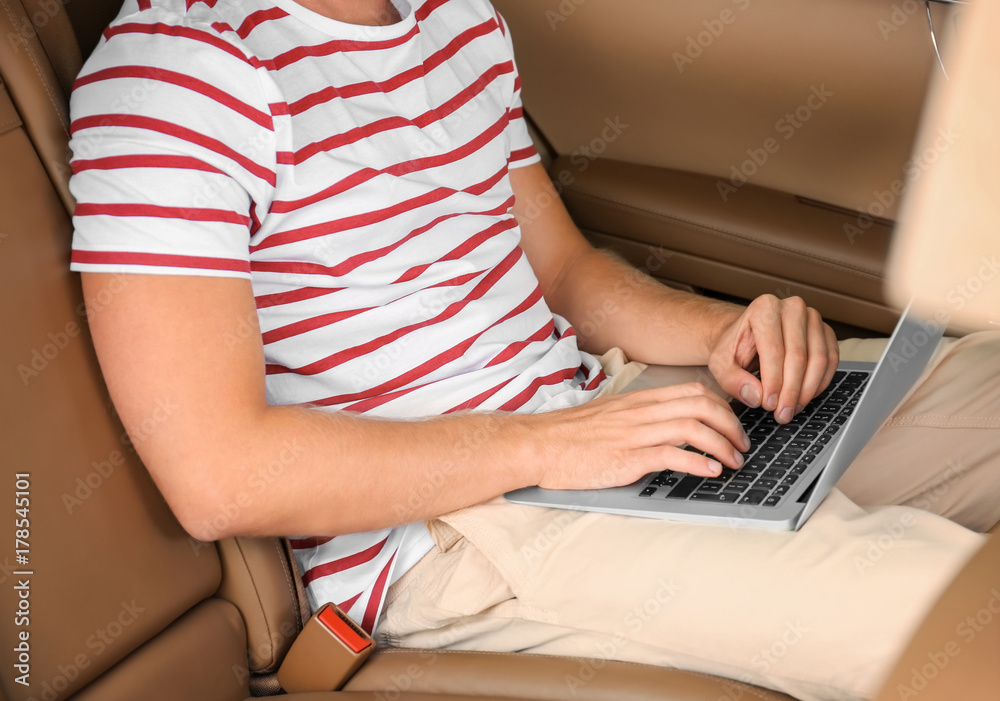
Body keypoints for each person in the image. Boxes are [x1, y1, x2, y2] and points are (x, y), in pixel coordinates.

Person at [69, 0, 1000, 698]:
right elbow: (218, 474)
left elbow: (559, 272)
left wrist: (718, 332)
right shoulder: (173, 75)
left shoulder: (455, 15)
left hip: (606, 410)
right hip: (452, 534)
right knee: (967, 626)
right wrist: (559, 446)